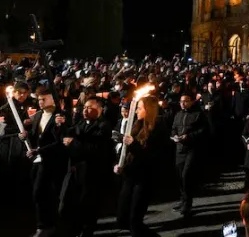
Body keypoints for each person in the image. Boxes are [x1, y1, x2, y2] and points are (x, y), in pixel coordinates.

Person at [58, 97, 113, 237]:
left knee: (88, 205)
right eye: (84, 107)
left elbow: (96, 148)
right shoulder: (82, 122)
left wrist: (74, 143)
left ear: (99, 110)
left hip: (91, 172)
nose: (85, 110)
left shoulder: (104, 126)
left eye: (89, 108)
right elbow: (72, 133)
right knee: (68, 202)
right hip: (75, 171)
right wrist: (62, 125)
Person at [19, 86, 68, 237]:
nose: (40, 102)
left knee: (41, 192)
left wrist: (39, 150)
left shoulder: (61, 116)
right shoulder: (39, 115)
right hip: (37, 159)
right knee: (39, 192)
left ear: (53, 99)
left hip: (51, 161)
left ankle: (46, 225)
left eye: (43, 99)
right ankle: (45, 223)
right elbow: (35, 137)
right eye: (38, 99)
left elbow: (60, 141)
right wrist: (25, 136)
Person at [115, 95, 166, 237]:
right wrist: (120, 164)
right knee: (122, 218)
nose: (136, 111)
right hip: (130, 176)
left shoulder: (157, 127)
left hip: (144, 178)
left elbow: (151, 155)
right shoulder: (136, 125)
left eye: (139, 108)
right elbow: (127, 152)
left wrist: (133, 144)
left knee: (134, 222)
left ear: (148, 110)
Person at [171, 92, 208, 215]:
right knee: (179, 175)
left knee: (187, 175)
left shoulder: (198, 114)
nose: (183, 103)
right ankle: (183, 199)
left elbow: (203, 130)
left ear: (191, 101)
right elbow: (173, 129)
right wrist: (175, 136)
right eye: (181, 101)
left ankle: (188, 203)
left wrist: (189, 136)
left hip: (192, 149)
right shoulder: (177, 115)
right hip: (179, 148)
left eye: (186, 101)